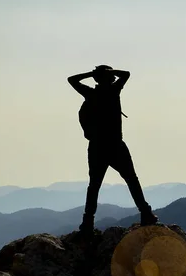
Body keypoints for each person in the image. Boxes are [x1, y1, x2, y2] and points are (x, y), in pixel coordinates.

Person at [68, 65, 158, 234]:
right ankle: (146, 213)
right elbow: (126, 74)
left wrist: (93, 74)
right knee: (131, 179)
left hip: (96, 146)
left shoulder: (90, 93)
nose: (115, 79)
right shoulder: (113, 91)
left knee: (94, 185)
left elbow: (72, 80)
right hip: (115, 144)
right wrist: (107, 73)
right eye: (111, 77)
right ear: (109, 79)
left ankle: (87, 223)